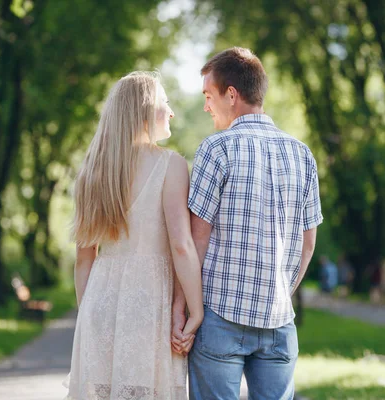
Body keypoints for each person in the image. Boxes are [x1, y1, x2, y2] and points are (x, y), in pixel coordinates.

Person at [181, 47, 323, 400]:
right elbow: (308, 245)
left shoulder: (217, 149)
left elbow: (196, 242)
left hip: (219, 319)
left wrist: (186, 309)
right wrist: (279, 292)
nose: (206, 106)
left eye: (208, 96)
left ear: (231, 95)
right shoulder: (302, 154)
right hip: (279, 322)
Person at [64, 71, 203, 400]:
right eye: (165, 103)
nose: (171, 112)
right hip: (148, 301)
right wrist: (195, 310)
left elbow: (84, 260)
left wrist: (90, 317)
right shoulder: (171, 164)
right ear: (144, 110)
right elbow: (181, 246)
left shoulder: (92, 169)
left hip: (100, 300)